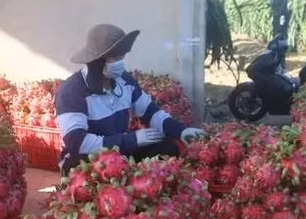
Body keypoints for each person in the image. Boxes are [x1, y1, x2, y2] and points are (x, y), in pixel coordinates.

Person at [55, 24, 204, 176]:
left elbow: (150, 112)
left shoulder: (124, 81)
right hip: (84, 160)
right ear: (97, 61)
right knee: (83, 165)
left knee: (167, 148)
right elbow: (77, 143)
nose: (121, 62)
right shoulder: (71, 92)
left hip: (117, 155)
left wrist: (181, 131)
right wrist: (132, 140)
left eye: (122, 56)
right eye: (114, 58)